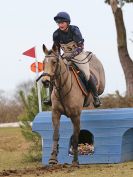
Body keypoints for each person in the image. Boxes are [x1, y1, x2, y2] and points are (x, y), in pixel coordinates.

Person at [44, 12, 101, 107]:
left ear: (67, 22)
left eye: (62, 22)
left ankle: (96, 97)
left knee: (86, 74)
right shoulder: (56, 34)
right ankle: (50, 97)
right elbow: (56, 49)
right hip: (65, 55)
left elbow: (80, 47)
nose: (60, 25)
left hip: (79, 54)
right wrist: (58, 57)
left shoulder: (75, 30)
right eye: (58, 23)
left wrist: (71, 56)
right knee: (55, 72)